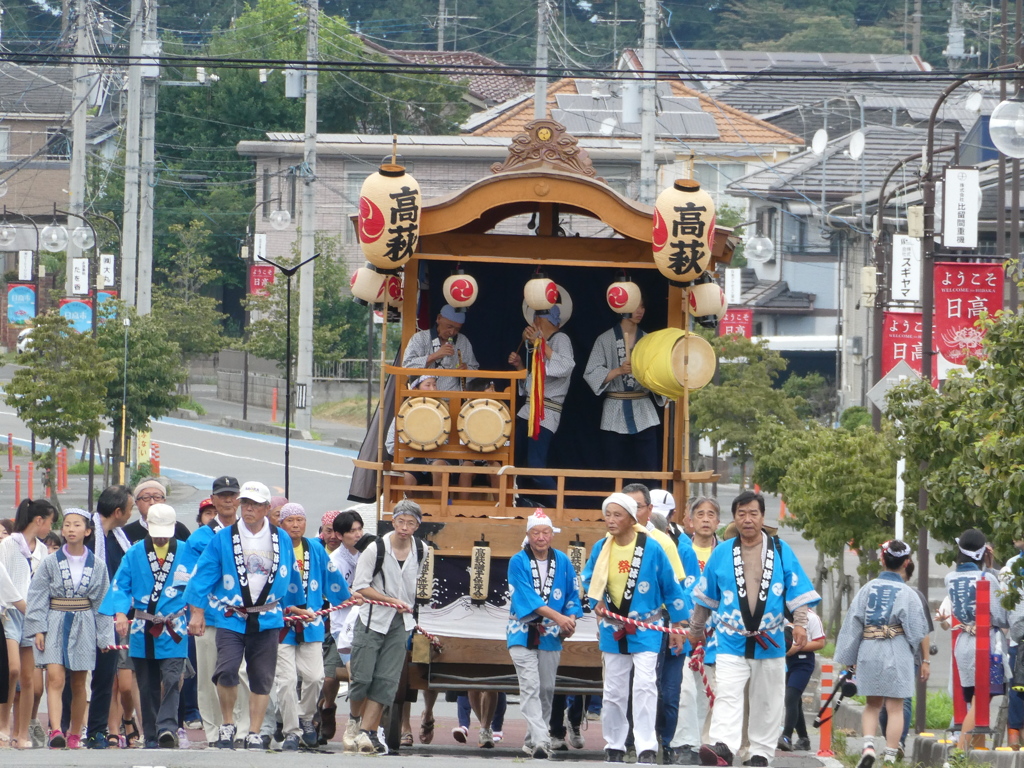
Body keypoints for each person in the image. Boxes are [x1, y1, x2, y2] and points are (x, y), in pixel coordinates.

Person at [689, 490, 820, 767]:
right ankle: (723, 746)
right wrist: (696, 629)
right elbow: (705, 596)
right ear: (735, 518)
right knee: (727, 692)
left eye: (753, 513)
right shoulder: (722, 552)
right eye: (741, 513)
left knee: (767, 700)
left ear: (762, 517)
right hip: (730, 638)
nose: (747, 519)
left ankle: (760, 752)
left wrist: (799, 624)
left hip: (770, 638)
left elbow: (796, 589)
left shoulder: (781, 550)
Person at [184, 480, 311, 750]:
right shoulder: (223, 537)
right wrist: (197, 612)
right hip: (231, 615)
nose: (249, 508)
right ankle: (228, 723)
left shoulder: (280, 537)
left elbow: (290, 574)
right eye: (246, 503)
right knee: (227, 670)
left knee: (261, 676)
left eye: (255, 504)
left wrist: (294, 604)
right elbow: (203, 574)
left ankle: (254, 731)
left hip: (267, 616)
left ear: (267, 508)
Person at [582, 492, 689, 764]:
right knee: (615, 689)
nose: (611, 520)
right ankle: (615, 744)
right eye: (608, 514)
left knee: (645, 686)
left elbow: (670, 585)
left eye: (617, 515)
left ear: (632, 519)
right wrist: (594, 600)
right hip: (613, 626)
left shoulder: (652, 548)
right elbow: (587, 578)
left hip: (647, 626)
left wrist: (678, 623)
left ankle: (646, 745)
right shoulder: (601, 547)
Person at [104, 504, 195, 749]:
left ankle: (167, 727)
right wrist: (121, 613)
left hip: (173, 625)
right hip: (142, 626)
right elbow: (120, 585)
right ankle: (153, 733)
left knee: (173, 678)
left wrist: (197, 613)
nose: (162, 536)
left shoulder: (187, 551)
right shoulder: (134, 553)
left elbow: (198, 586)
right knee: (147, 683)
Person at [835, 540, 930, 768]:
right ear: (906, 563)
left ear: (882, 559)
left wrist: (849, 661)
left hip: (869, 647)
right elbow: (918, 630)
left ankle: (868, 745)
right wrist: (921, 657)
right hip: (896, 648)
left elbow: (852, 625)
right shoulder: (908, 593)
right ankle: (889, 755)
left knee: (872, 704)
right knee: (895, 706)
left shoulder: (867, 589)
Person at [24, 509, 114, 749]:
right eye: (67, 525)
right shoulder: (50, 563)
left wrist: (104, 636)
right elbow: (37, 594)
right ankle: (55, 730)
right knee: (54, 677)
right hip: (54, 619)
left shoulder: (98, 565)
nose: (71, 529)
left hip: (84, 621)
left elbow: (103, 602)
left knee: (78, 681)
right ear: (62, 530)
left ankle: (75, 731)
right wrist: (38, 629)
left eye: (77, 525)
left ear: (87, 531)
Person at [346, 499, 425, 754]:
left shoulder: (421, 550)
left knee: (387, 680)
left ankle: (368, 733)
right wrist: (391, 600)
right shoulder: (375, 548)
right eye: (400, 521)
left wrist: (407, 607)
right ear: (393, 522)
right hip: (372, 620)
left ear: (417, 526)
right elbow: (361, 586)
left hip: (401, 623)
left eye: (410, 523)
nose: (404, 527)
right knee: (362, 677)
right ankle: (355, 723)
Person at [622, 483, 693, 759]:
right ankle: (626, 742)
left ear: (649, 511)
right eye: (625, 506)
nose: (631, 512)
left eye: (637, 506)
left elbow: (676, 590)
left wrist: (678, 626)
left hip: (655, 626)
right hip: (620, 628)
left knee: (654, 687)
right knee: (621, 688)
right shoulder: (610, 540)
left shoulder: (663, 542)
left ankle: (656, 742)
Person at [274, 503, 351, 750]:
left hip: (312, 623)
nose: (296, 525)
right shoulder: (276, 549)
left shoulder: (315, 549)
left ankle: (306, 718)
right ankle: (291, 732)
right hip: (282, 623)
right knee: (285, 681)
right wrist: (289, 609)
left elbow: (332, 578)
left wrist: (348, 598)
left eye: (300, 520)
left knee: (316, 677)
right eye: (290, 520)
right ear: (281, 523)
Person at [183, 475, 253, 747]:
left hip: (242, 616)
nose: (227, 500)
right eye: (221, 495)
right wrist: (195, 613)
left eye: (232, 495)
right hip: (210, 616)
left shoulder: (249, 532)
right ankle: (215, 732)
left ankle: (244, 730)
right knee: (209, 676)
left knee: (244, 673)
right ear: (212, 500)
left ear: (239, 499)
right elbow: (189, 577)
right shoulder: (200, 537)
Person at [507, 510, 582, 758]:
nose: (541, 537)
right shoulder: (518, 561)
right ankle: (542, 738)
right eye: (535, 532)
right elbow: (527, 598)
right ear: (528, 535)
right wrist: (558, 617)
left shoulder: (562, 560)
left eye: (545, 532)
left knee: (546, 688)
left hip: (551, 635)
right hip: (522, 631)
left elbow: (572, 594)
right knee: (530, 686)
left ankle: (532, 740)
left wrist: (569, 618)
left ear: (552, 535)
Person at [940, 528, 1008, 750]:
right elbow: (1000, 616)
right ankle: (960, 752)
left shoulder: (950, 578)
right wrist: (991, 567)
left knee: (975, 699)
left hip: (963, 641)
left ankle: (978, 751)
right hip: (984, 643)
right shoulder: (985, 577)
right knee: (981, 700)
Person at [78, 484, 134, 749]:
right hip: (81, 613)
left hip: (110, 617)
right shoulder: (89, 536)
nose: (132, 514)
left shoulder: (120, 538)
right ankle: (71, 728)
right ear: (118, 510)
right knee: (75, 675)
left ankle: (96, 730)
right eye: (130, 508)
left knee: (104, 677)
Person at [0, 498, 56, 749]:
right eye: (50, 522)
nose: (50, 528)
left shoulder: (42, 550)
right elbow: (3, 578)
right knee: (12, 669)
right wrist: (20, 603)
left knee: (29, 678)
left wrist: (38, 611)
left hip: (32, 616)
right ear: (38, 520)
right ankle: (3, 725)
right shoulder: (9, 544)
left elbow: (43, 584)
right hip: (9, 611)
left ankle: (22, 733)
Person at [584, 299, 662, 473]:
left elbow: (660, 373)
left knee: (649, 466)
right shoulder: (605, 339)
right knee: (613, 467)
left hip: (644, 409)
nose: (640, 310)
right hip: (614, 409)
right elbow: (591, 372)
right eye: (636, 306)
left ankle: (648, 500)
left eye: (642, 306)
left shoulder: (649, 340)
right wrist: (618, 370)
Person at [673, 496, 721, 765]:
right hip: (684, 633)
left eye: (711, 514)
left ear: (717, 521)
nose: (705, 519)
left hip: (717, 637)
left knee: (710, 693)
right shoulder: (680, 551)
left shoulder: (726, 553)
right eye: (699, 514)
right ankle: (683, 744)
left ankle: (706, 744)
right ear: (690, 520)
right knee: (684, 692)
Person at [509, 304, 575, 495]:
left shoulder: (560, 338)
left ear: (538, 320)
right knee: (515, 461)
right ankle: (519, 503)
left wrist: (541, 343)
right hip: (529, 410)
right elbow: (535, 380)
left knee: (535, 467)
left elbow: (566, 366)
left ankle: (559, 506)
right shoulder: (540, 342)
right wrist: (520, 365)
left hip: (545, 412)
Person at [324, 510, 363, 745]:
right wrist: (357, 595)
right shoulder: (334, 561)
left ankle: (359, 724)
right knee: (336, 677)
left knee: (363, 675)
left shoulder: (369, 552)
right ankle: (328, 706)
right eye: (351, 531)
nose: (357, 534)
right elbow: (335, 594)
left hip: (367, 622)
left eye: (359, 529)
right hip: (342, 626)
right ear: (339, 535)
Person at [385, 375, 451, 493]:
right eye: (428, 385)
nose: (432, 389)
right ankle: (411, 510)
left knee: (439, 468)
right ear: (415, 389)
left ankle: (439, 511)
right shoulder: (403, 413)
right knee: (406, 480)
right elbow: (390, 445)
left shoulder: (443, 411)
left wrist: (431, 445)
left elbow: (448, 440)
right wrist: (413, 445)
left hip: (436, 459)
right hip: (411, 462)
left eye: (434, 385)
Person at [778, 607, 826, 752]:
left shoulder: (811, 617)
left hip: (803, 663)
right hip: (785, 662)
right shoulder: (782, 616)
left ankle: (786, 736)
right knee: (795, 701)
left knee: (791, 697)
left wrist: (797, 648)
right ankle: (804, 739)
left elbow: (820, 643)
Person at [402, 304, 479, 392]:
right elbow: (407, 368)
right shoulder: (420, 338)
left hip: (453, 399)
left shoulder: (462, 341)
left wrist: (466, 370)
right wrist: (435, 356)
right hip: (425, 398)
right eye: (449, 326)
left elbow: (474, 370)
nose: (452, 332)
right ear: (439, 318)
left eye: (457, 329)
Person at [123, 479, 191, 543]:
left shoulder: (179, 529)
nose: (152, 502)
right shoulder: (126, 532)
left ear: (164, 501)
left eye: (157, 497)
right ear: (137, 502)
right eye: (146, 498)